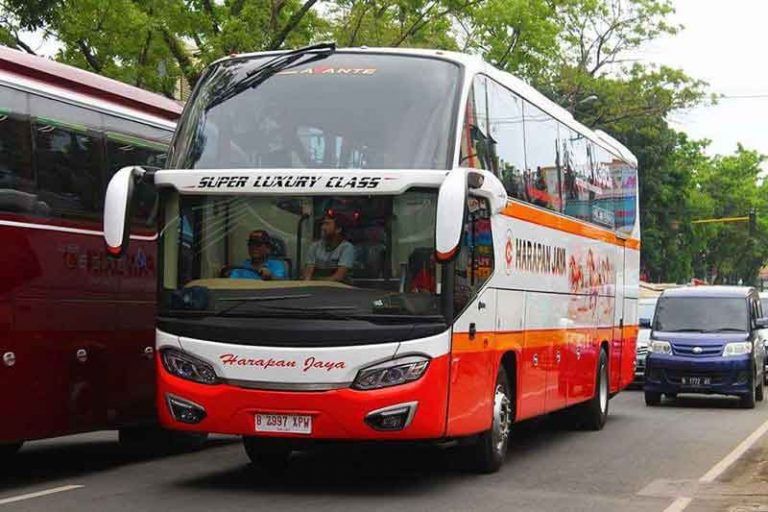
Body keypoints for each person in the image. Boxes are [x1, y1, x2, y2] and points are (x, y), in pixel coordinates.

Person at [303, 214, 355, 282]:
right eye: (323, 224)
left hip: (340, 289)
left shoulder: (347, 248)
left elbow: (339, 276)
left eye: (327, 224)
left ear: (338, 229)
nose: (322, 227)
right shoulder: (315, 246)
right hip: (317, 289)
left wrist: (319, 285)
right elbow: (308, 273)